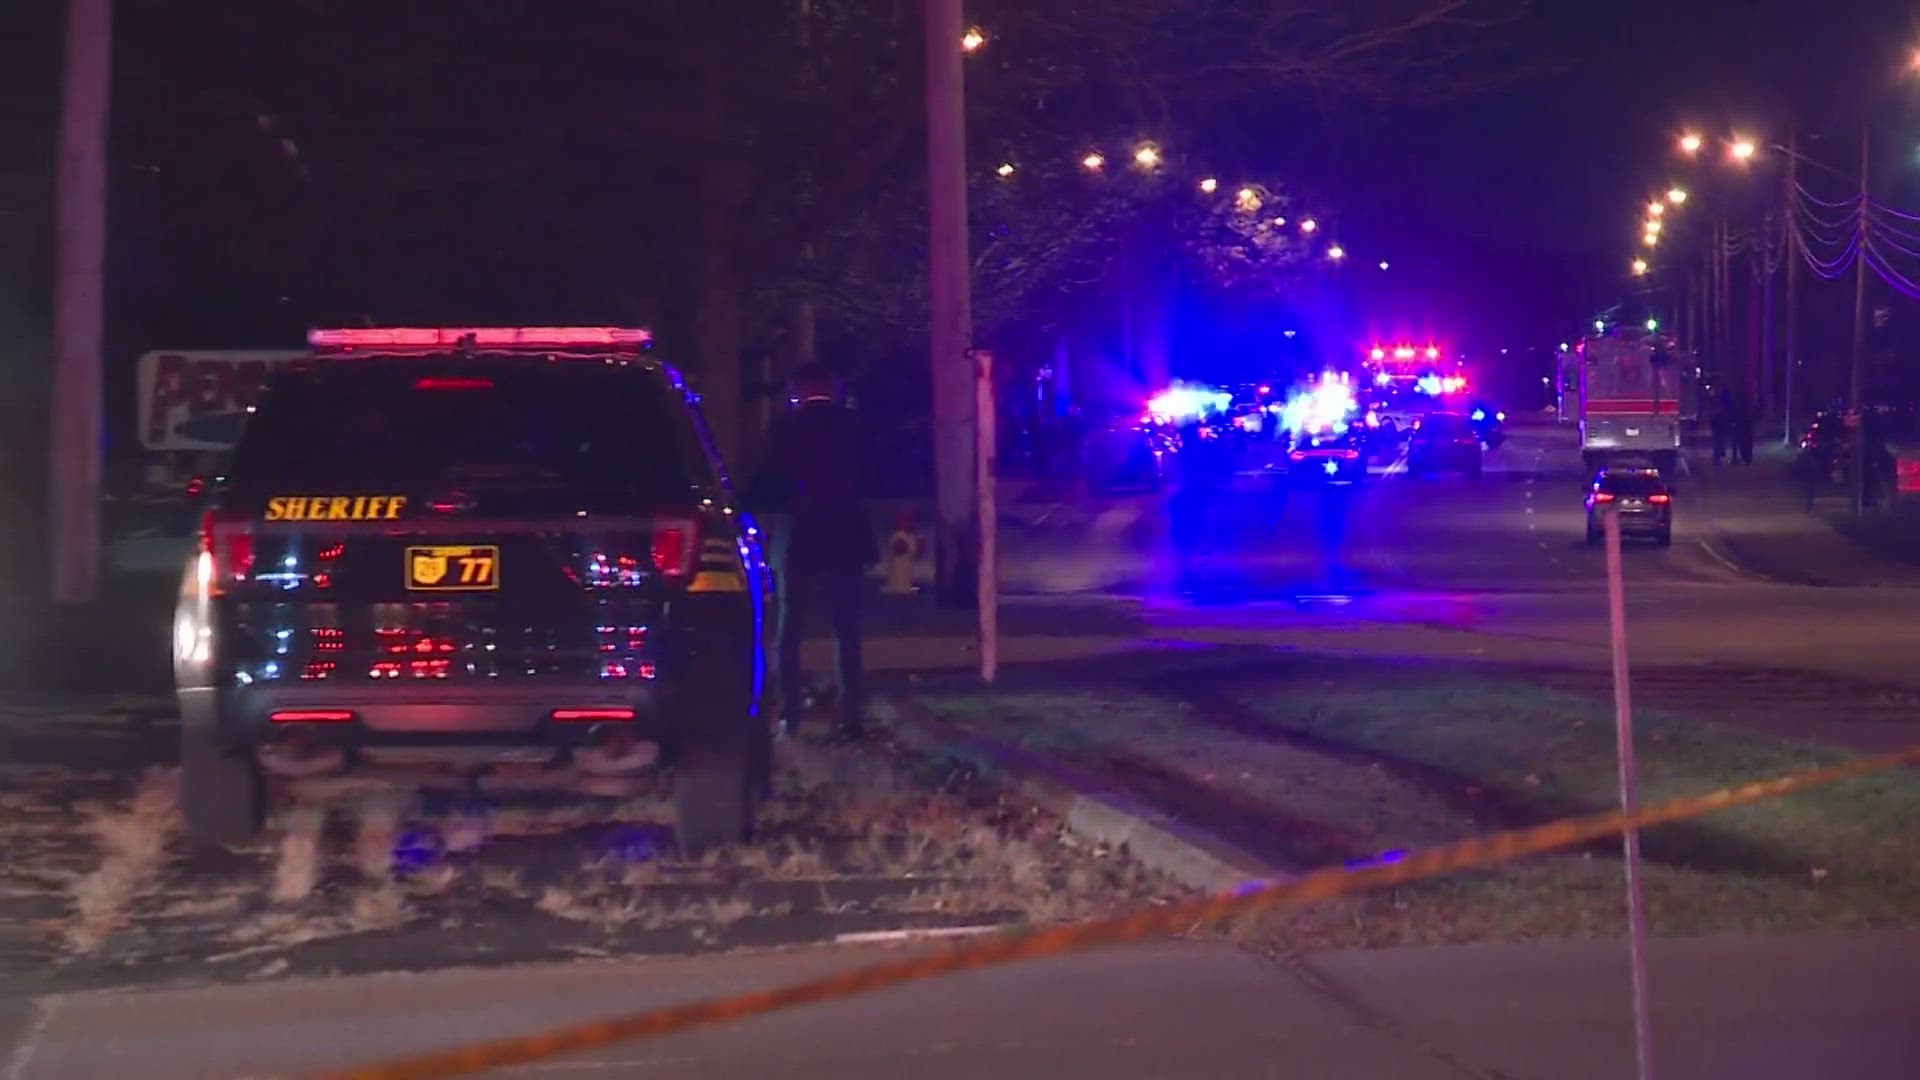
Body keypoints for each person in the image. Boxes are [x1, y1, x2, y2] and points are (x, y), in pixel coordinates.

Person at [745, 365, 878, 742]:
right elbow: (871, 477)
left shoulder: (785, 429)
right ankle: (851, 715)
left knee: (790, 630)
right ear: (834, 390)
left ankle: (789, 716)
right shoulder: (854, 427)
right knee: (847, 630)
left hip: (799, 537)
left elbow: (767, 482)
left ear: (798, 392)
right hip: (845, 536)